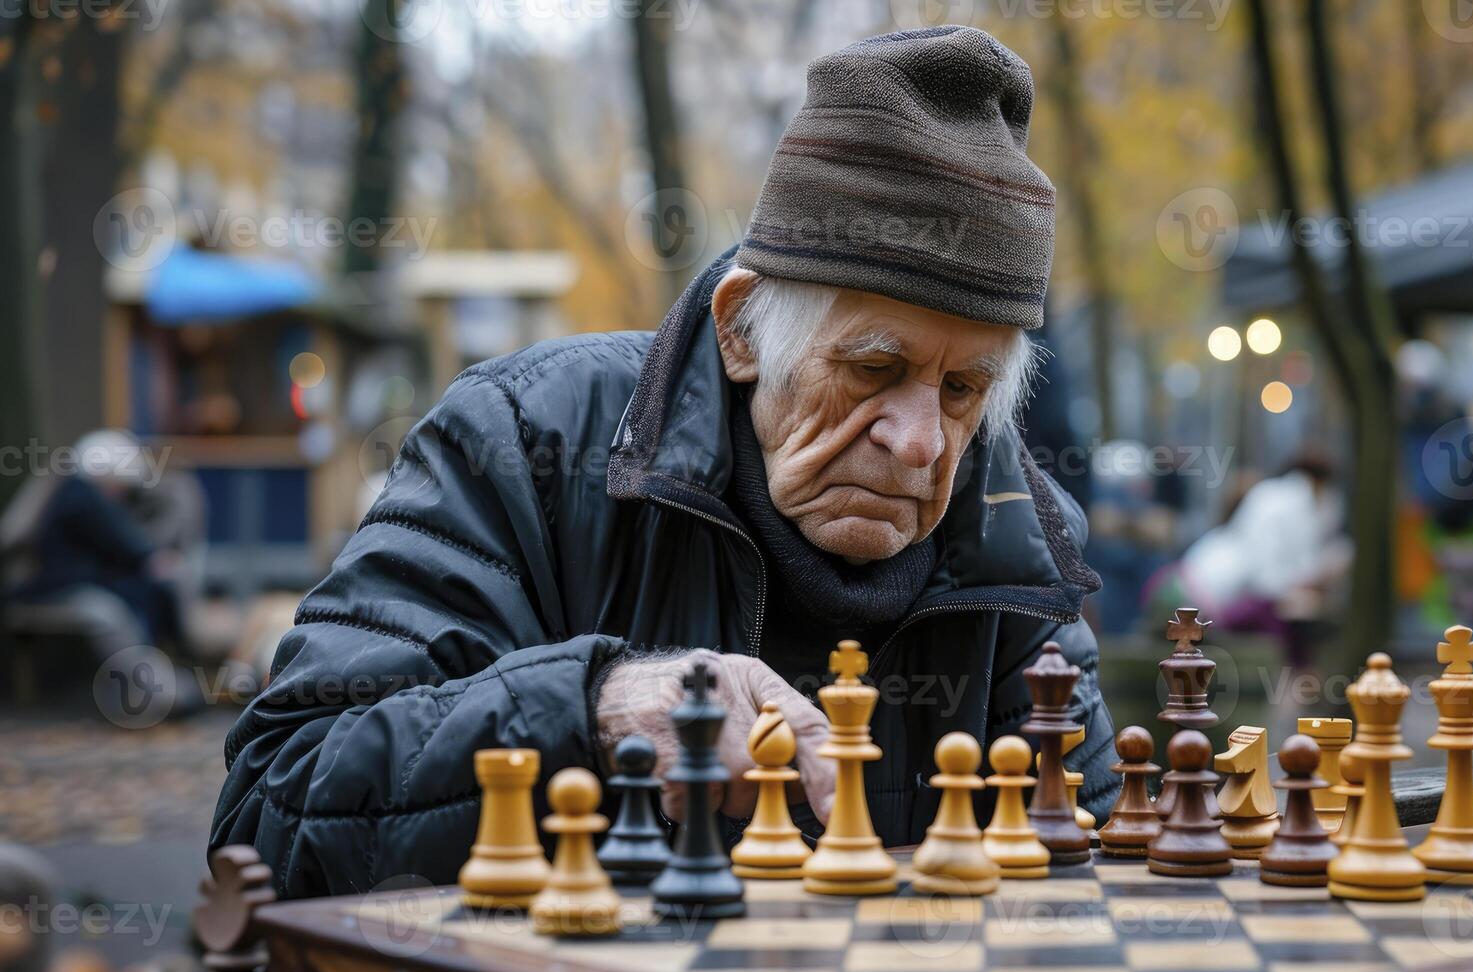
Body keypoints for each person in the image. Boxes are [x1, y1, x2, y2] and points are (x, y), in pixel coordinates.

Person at [211, 27, 1116, 899]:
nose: (920, 442)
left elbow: (1099, 884)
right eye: (873, 370)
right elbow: (267, 814)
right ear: (740, 330)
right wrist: (592, 710)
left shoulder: (1016, 544)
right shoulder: (523, 444)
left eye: (962, 390)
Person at [1145, 453, 1349, 667]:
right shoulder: (1294, 504)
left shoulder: (1275, 495)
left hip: (1176, 588)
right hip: (1185, 599)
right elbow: (1268, 582)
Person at [9, 430, 189, 655]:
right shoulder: (82, 494)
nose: (119, 497)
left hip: (68, 584)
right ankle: (154, 681)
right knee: (118, 613)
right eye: (118, 487)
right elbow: (125, 542)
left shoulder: (69, 491)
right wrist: (151, 558)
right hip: (64, 588)